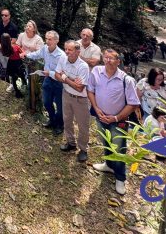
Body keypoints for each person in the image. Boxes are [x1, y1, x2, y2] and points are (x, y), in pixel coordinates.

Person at [87, 49, 141, 195]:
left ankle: (120, 178)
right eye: (106, 57)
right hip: (100, 116)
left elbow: (133, 103)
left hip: (118, 121)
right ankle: (109, 165)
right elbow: (90, 90)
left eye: (111, 58)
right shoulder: (96, 72)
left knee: (119, 149)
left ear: (118, 62)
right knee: (106, 142)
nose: (108, 60)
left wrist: (116, 118)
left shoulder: (126, 80)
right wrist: (96, 108)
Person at [54, 40, 91, 162]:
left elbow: (80, 88)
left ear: (78, 52)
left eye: (70, 50)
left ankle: (83, 149)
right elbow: (57, 75)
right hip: (66, 94)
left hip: (80, 99)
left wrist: (65, 77)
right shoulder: (63, 58)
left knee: (83, 125)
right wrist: (72, 80)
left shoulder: (83, 66)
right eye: (65, 49)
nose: (66, 52)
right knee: (67, 120)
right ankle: (71, 143)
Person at [25, 30, 66, 135]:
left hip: (59, 83)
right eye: (46, 39)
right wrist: (26, 54)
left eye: (50, 39)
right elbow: (36, 54)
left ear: (56, 41)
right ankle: (52, 120)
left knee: (60, 106)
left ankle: (60, 125)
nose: (47, 41)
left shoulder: (61, 55)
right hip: (47, 80)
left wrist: (50, 73)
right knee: (46, 102)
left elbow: (63, 73)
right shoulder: (45, 49)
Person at [0, 33, 24, 98]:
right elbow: (22, 53)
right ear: (10, 39)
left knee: (14, 78)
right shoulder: (15, 47)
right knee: (20, 77)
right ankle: (22, 90)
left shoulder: (3, 48)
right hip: (18, 63)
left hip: (11, 63)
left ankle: (17, 91)